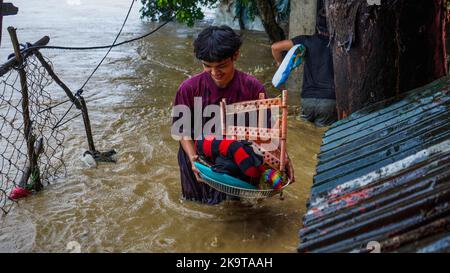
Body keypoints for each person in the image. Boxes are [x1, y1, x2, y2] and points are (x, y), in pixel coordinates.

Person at [172, 25, 294, 205]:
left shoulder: (253, 88)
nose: (215, 73)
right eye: (207, 66)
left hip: (238, 158)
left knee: (237, 209)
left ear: (235, 55)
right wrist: (192, 158)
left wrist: (282, 160)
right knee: (197, 207)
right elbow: (181, 131)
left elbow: (269, 133)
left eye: (222, 66)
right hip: (197, 159)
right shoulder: (189, 88)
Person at [271, 7, 337, 127]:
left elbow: (275, 47)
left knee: (304, 131)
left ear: (317, 26)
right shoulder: (339, 45)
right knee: (321, 139)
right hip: (329, 101)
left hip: (307, 99)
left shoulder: (306, 41)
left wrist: (280, 63)